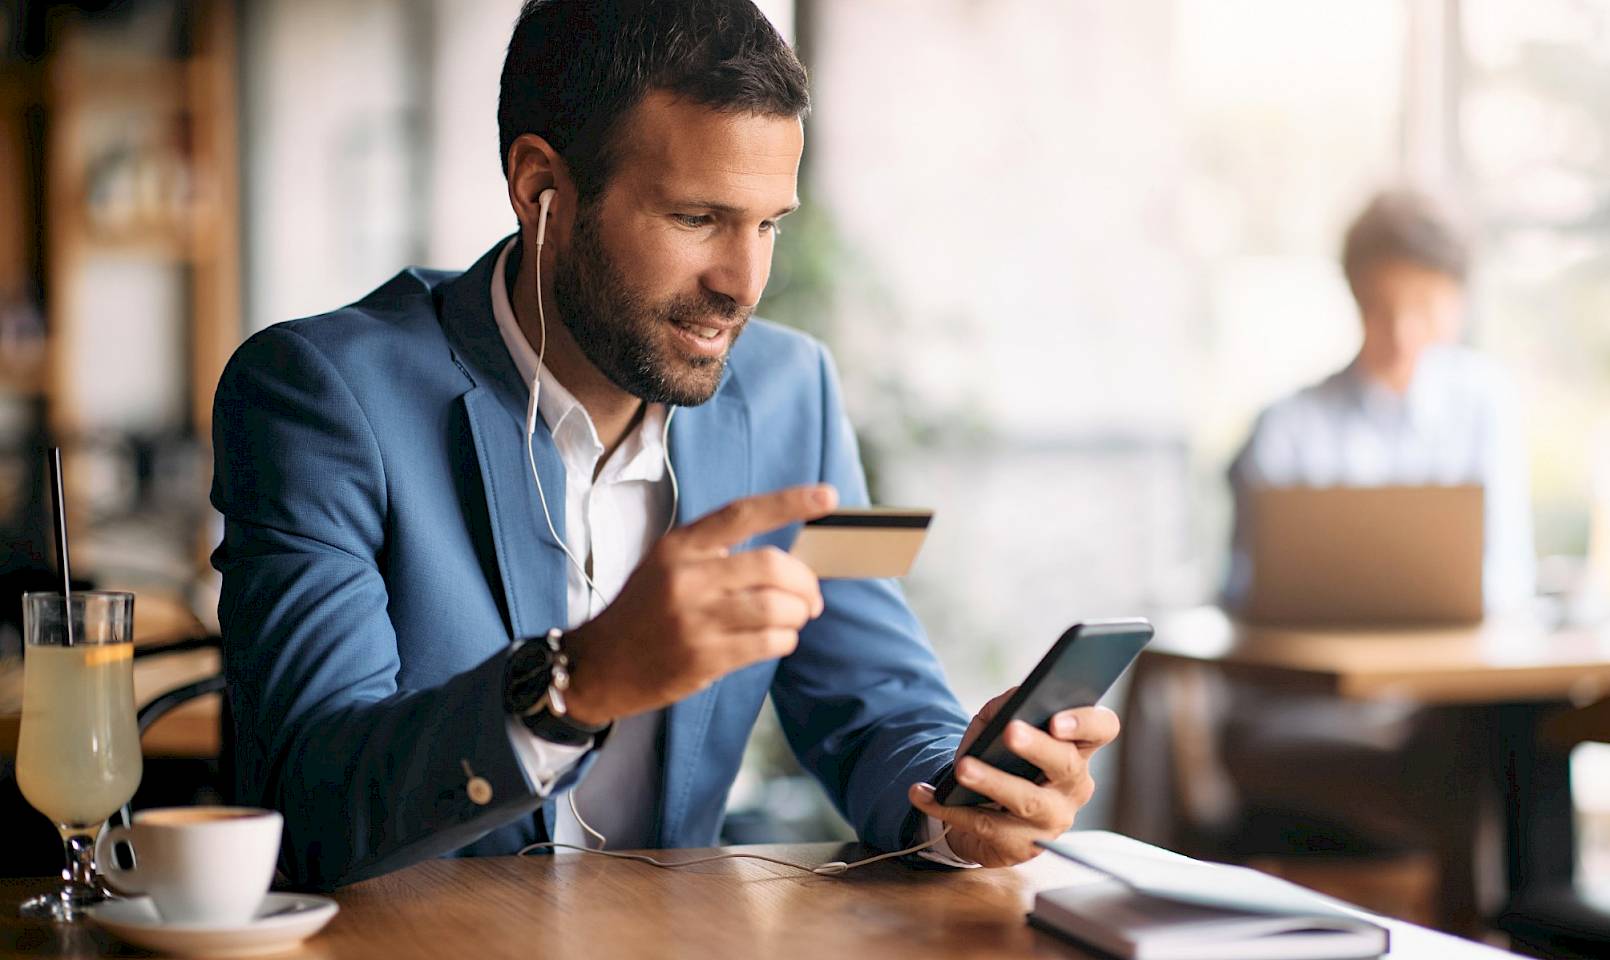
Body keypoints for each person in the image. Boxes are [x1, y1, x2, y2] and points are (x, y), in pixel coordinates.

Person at [210, 0, 1118, 891]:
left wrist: (964, 799)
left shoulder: (793, 394)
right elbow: (306, 799)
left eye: (769, 224)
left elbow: (877, 702)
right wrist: (578, 683)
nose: (742, 282)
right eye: (696, 219)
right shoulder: (321, 394)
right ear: (540, 189)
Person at [1226, 189, 1535, 612]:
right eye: (1381, 308)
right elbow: (1245, 587)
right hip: (1315, 672)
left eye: (1424, 307)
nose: (1402, 332)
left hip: (1456, 671)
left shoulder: (1486, 402)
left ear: (1459, 303)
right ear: (1354, 298)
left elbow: (1507, 577)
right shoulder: (1286, 428)